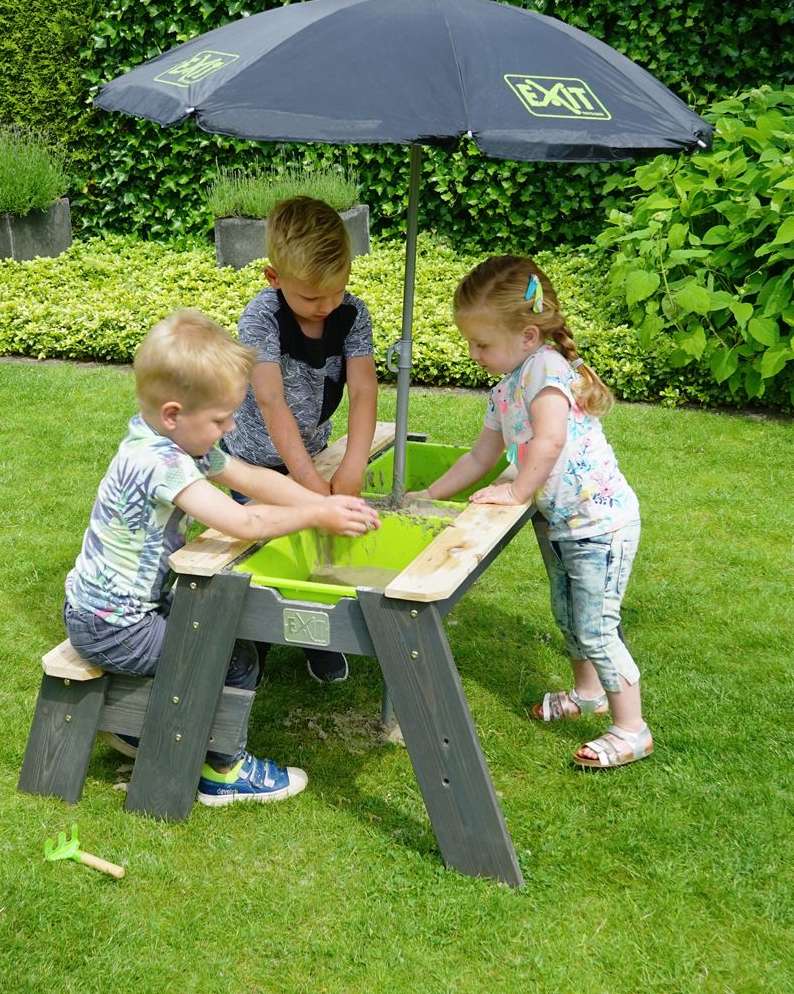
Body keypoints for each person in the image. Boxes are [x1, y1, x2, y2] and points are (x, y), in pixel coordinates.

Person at [63, 308, 381, 804]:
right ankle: (222, 772)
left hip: (104, 612)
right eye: (220, 419)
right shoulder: (162, 462)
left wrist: (323, 501)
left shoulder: (166, 440)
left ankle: (139, 727)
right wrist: (318, 517)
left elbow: (252, 480)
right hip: (114, 627)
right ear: (174, 413)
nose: (230, 426)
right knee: (231, 656)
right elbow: (244, 521)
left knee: (210, 620)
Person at [416, 256, 651, 769]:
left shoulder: (546, 370)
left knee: (597, 626)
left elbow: (549, 440)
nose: (474, 354)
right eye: (471, 343)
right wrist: (429, 495)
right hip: (563, 522)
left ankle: (632, 729)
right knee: (569, 618)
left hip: (598, 522)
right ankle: (587, 695)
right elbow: (482, 456)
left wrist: (516, 492)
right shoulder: (506, 385)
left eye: (481, 344)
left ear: (527, 335)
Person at [221, 195, 378, 683]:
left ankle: (316, 635)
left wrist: (352, 463)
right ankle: (259, 639)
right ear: (274, 278)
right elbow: (270, 401)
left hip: (314, 449)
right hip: (256, 461)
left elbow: (364, 390)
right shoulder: (261, 317)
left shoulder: (352, 315)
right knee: (268, 551)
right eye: (311, 298)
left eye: (335, 291)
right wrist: (308, 481)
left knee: (315, 542)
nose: (325, 306)